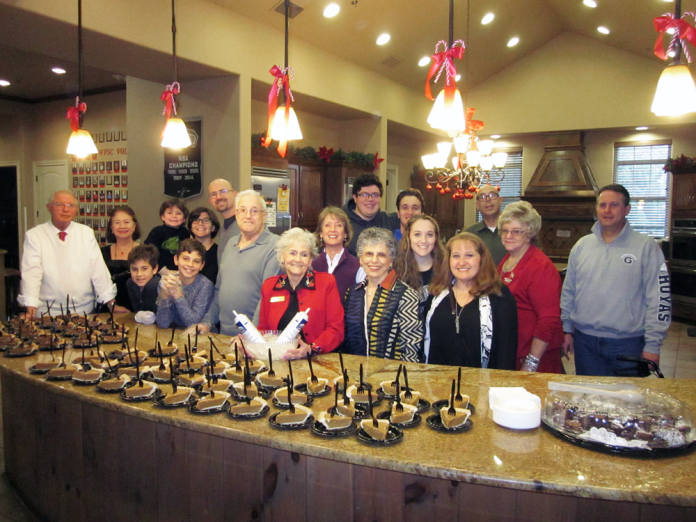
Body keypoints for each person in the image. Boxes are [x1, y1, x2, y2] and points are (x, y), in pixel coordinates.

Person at [561, 184, 671, 376]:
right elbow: (569, 290)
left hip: (628, 344)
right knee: (589, 400)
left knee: (626, 402)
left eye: (614, 205)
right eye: (602, 205)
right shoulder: (581, 246)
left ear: (627, 209)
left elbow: (659, 299)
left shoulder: (646, 248)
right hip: (585, 342)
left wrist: (653, 345)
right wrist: (566, 329)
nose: (607, 210)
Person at [423, 232, 517, 369]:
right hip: (437, 383)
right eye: (456, 256)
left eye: (469, 255)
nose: (462, 262)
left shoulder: (499, 296)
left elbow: (506, 352)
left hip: (482, 384)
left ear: (481, 259)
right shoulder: (436, 294)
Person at [194, 190, 281, 336]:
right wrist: (207, 322)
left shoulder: (275, 246)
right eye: (243, 210)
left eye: (254, 211)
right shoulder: (230, 244)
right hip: (225, 334)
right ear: (236, 214)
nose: (248, 216)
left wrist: (250, 335)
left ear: (264, 215)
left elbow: (268, 298)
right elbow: (218, 290)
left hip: (255, 339)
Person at [18, 190, 116, 317]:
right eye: (59, 204)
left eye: (71, 205)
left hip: (83, 310)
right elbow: (31, 273)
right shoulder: (35, 236)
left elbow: (98, 269)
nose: (65, 209)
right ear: (49, 208)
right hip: (47, 312)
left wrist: (111, 304)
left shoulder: (86, 233)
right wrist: (30, 308)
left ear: (76, 210)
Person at [498, 201, 563, 373]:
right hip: (512, 352)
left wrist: (531, 362)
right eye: (505, 230)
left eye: (516, 231)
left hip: (535, 358)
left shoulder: (540, 267)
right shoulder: (507, 260)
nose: (508, 235)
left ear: (530, 234)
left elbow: (548, 320)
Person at [258, 228, 344, 359]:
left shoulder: (326, 283)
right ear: (282, 256)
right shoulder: (270, 286)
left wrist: (311, 349)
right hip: (279, 360)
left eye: (304, 255)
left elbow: (336, 329)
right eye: (292, 253)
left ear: (310, 261)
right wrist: (249, 342)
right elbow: (263, 329)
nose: (298, 259)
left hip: (316, 360)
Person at [342, 228, 422, 362]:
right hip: (356, 375)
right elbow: (346, 342)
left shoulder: (406, 295)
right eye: (368, 254)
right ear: (360, 259)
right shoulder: (352, 294)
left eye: (381, 255)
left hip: (391, 378)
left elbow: (411, 350)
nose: (374, 260)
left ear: (391, 261)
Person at [155, 238, 214, 328]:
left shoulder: (205, 285)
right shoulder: (167, 282)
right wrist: (164, 297)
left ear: (202, 265)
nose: (190, 264)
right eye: (186, 259)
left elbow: (192, 324)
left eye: (196, 261)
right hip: (175, 334)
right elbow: (163, 323)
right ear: (176, 260)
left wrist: (178, 295)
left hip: (199, 336)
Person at [311, 207, 362, 300]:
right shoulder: (311, 264)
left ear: (345, 234)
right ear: (321, 233)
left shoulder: (358, 265)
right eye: (327, 225)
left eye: (338, 225)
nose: (333, 229)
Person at [342, 174, 399, 256]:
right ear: (355, 198)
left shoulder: (390, 222)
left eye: (375, 195)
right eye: (364, 194)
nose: (370, 199)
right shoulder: (341, 223)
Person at [395, 214, 446, 301]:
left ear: (436, 238)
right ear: (408, 237)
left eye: (429, 235)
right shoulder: (394, 270)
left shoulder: (447, 269)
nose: (423, 241)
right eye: (417, 234)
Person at [101, 205, 140, 313]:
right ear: (111, 228)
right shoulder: (101, 253)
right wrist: (111, 305)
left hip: (136, 309)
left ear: (134, 226)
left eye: (127, 222)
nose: (122, 226)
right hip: (107, 308)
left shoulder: (144, 252)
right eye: (117, 222)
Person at [465, 184, 507, 266]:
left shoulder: (515, 232)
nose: (488, 199)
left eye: (492, 195)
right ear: (477, 205)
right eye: (482, 197)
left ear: (500, 201)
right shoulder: (468, 235)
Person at [144, 198, 190, 271]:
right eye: (169, 213)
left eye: (178, 213)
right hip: (159, 271)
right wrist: (162, 270)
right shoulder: (157, 231)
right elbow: (148, 253)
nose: (174, 216)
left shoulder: (186, 233)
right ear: (162, 217)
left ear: (184, 218)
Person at [126, 244, 160, 324]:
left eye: (144, 269)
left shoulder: (156, 285)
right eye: (134, 269)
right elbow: (137, 309)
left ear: (155, 269)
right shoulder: (130, 283)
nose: (139, 274)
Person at [207, 179, 240, 262]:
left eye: (223, 191)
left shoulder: (245, 226)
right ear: (210, 201)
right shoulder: (222, 229)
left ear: (235, 194)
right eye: (214, 194)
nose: (219, 197)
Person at [188, 206, 220, 284]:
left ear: (213, 227)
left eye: (205, 220)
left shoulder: (219, 252)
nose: (200, 223)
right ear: (191, 227)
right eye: (196, 220)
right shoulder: (184, 250)